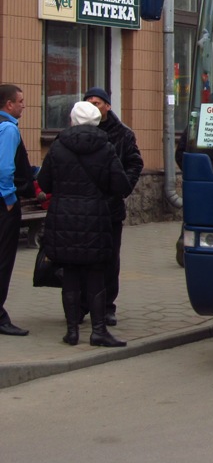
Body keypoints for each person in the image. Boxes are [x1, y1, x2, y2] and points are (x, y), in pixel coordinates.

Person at [38, 101, 132, 347]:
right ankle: (98, 331)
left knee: (69, 273)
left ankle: (71, 332)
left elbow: (44, 183)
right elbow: (121, 186)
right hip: (96, 216)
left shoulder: (57, 147)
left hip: (63, 217)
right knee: (95, 274)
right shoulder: (106, 147)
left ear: (72, 120)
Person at [83, 87, 143, 327]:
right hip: (83, 208)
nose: (92, 106)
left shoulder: (122, 134)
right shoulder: (77, 132)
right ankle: (80, 306)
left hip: (110, 208)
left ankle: (107, 306)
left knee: (109, 258)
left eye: (97, 102)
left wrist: (122, 188)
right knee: (80, 260)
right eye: (88, 102)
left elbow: (135, 162)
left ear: (107, 106)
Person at [0, 84, 30, 336]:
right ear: (9, 104)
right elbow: (5, 168)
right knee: (3, 260)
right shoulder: (8, 128)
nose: (23, 105)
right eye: (20, 101)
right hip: (3, 204)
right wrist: (9, 197)